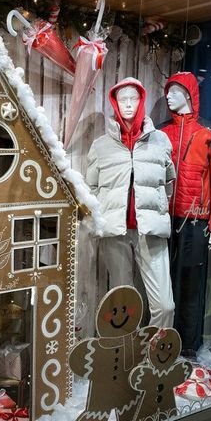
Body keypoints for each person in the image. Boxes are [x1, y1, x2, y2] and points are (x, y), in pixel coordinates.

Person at [86, 77, 175, 328]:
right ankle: (125, 360)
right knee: (122, 306)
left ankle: (156, 360)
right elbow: (90, 189)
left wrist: (157, 211)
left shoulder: (160, 141)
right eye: (122, 99)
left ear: (141, 101)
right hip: (116, 232)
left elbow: (169, 184)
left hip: (151, 231)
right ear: (114, 103)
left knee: (165, 305)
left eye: (133, 99)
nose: (127, 105)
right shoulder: (101, 146)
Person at [159, 72, 211, 356]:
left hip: (195, 222)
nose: (168, 96)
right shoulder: (161, 132)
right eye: (167, 91)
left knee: (188, 285)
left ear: (188, 94)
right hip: (164, 220)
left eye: (174, 91)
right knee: (163, 285)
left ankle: (186, 347)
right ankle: (160, 344)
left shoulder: (210, 132)